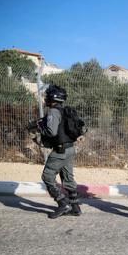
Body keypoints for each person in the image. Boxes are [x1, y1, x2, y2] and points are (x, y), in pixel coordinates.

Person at [36, 85, 81, 219]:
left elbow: (52, 131)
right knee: (68, 179)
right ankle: (75, 207)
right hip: (70, 149)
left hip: (60, 150)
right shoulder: (65, 111)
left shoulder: (53, 112)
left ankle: (62, 204)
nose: (45, 98)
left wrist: (39, 128)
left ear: (52, 98)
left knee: (47, 176)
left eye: (47, 95)